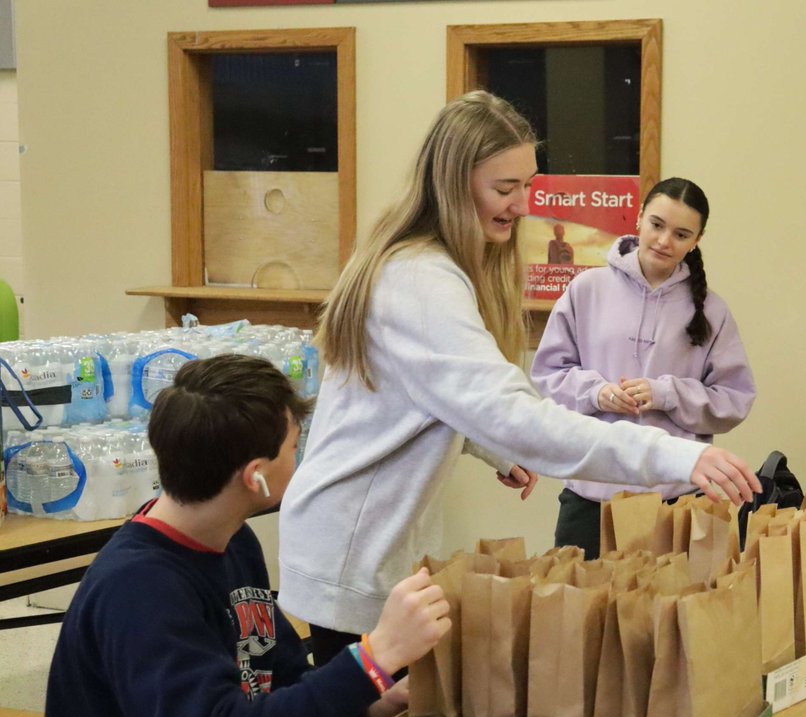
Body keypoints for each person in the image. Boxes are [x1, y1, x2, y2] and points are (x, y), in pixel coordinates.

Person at [278, 91, 761, 666]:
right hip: (354, 546)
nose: (521, 205)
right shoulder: (422, 282)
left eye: (527, 186)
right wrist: (675, 456)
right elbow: (516, 410)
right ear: (453, 182)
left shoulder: (429, 266)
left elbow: (436, 395)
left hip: (362, 539)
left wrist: (491, 448)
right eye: (504, 189)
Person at [36, 355, 451, 717]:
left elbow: (286, 681)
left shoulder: (234, 542)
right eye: (294, 448)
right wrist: (374, 657)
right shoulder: (138, 589)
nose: (301, 459)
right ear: (256, 476)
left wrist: (367, 699)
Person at [530, 178, 756, 558]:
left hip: (677, 496)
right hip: (591, 491)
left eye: (682, 234)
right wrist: (597, 392)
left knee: (671, 615)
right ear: (638, 219)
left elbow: (734, 398)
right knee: (579, 614)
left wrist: (666, 394)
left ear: (697, 239)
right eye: (657, 225)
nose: (665, 241)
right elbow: (548, 374)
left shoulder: (712, 311)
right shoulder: (586, 289)